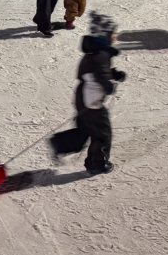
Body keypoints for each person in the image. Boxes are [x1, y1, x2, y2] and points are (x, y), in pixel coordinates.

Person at [49, 13, 125, 175]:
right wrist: (108, 85)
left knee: (86, 129)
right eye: (113, 34)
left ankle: (61, 144)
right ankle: (96, 163)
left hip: (83, 98)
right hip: (92, 103)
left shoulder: (93, 53)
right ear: (105, 35)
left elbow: (97, 72)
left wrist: (114, 74)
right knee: (102, 134)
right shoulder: (101, 56)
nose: (115, 37)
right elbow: (100, 74)